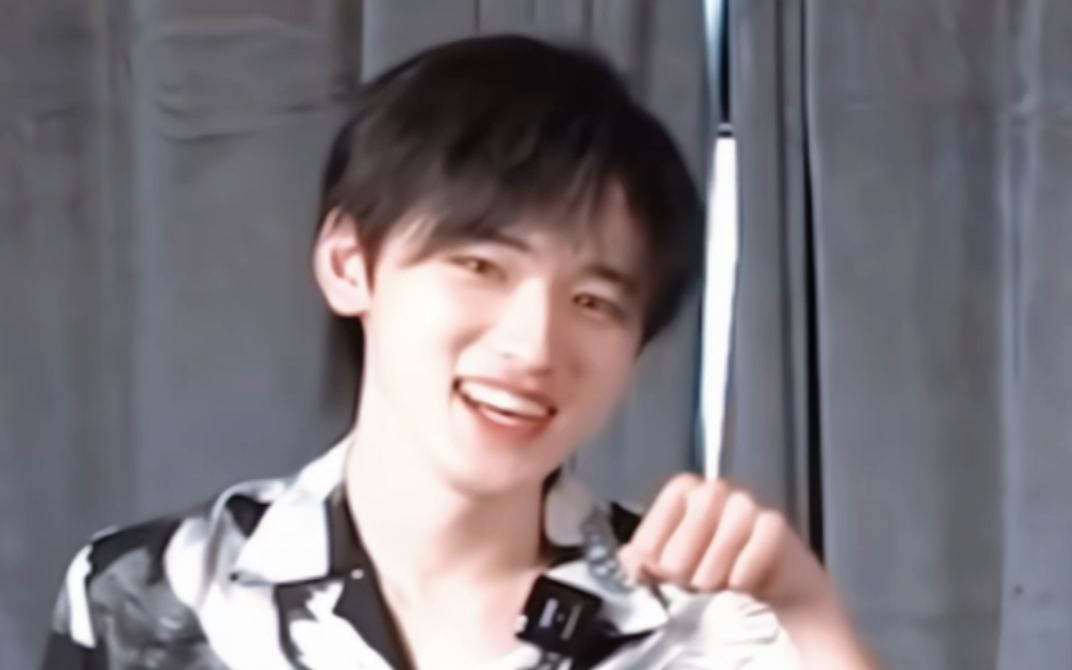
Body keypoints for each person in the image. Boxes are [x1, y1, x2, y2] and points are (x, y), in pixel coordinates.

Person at [40, 36, 878, 670]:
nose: (533, 344)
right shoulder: (146, 594)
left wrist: (808, 608)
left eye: (593, 301)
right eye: (481, 267)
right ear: (350, 264)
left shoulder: (714, 627)